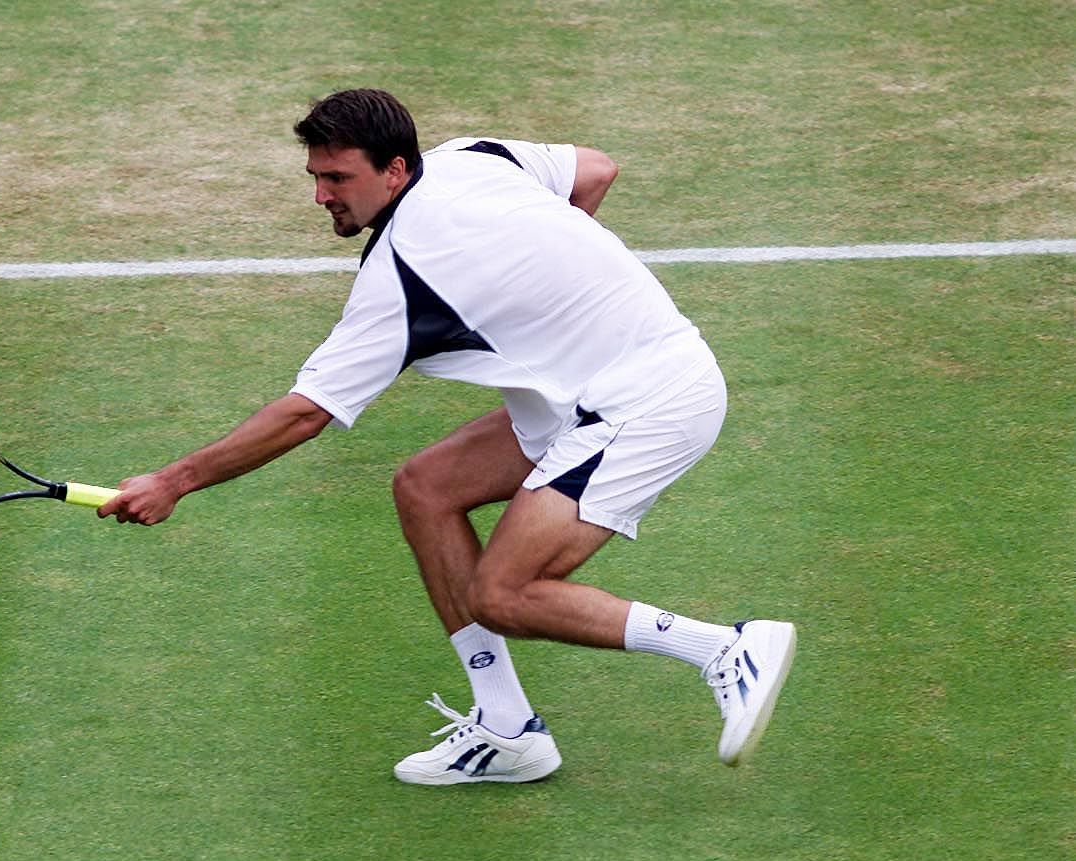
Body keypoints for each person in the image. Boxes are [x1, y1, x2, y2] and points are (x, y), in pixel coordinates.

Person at [98, 88, 796, 785]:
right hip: (584, 391)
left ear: (395, 170)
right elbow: (595, 169)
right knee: (426, 488)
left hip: (647, 403)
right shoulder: (471, 156)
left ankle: (724, 648)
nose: (321, 197)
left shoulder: (399, 280)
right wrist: (545, 291)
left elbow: (305, 413)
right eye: (315, 177)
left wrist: (173, 481)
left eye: (338, 178)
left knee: (505, 594)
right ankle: (506, 728)